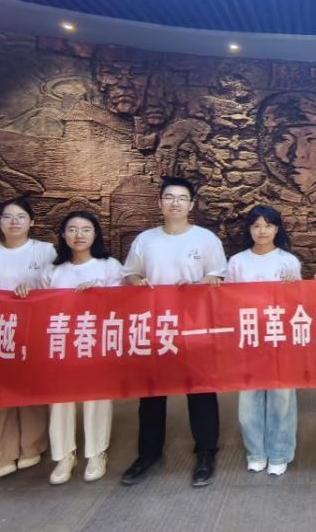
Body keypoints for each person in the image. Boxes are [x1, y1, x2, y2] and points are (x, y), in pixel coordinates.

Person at [120, 176, 228, 487]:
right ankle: (148, 454)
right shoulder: (145, 240)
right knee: (152, 393)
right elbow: (130, 273)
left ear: (191, 205)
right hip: (156, 326)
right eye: (169, 197)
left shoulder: (206, 239)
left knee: (201, 392)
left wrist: (202, 284)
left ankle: (206, 452)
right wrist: (138, 282)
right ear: (160, 203)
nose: (175, 203)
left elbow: (218, 277)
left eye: (182, 198)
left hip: (195, 326)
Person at [0, 197, 55, 478]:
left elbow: (56, 285)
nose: (14, 222)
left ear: (32, 222)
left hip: (33, 332)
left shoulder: (46, 251)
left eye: (20, 216)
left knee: (31, 391)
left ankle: (32, 446)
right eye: (7, 217)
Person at [34, 211, 123, 485]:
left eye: (86, 229)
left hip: (96, 341)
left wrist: (101, 293)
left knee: (96, 398)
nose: (79, 235)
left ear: (95, 234)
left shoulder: (109, 266)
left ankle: (96, 453)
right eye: (72, 229)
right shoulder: (52, 271)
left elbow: (124, 303)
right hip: (61, 342)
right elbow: (39, 308)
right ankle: (64, 455)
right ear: (63, 235)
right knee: (60, 400)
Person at [226, 205, 302, 476]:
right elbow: (228, 301)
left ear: (276, 229)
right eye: (256, 225)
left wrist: (293, 288)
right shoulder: (237, 262)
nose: (262, 231)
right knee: (249, 399)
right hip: (249, 337)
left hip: (280, 337)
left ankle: (280, 452)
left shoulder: (289, 261)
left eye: (267, 225)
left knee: (282, 397)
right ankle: (256, 452)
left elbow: (299, 304)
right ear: (249, 229)